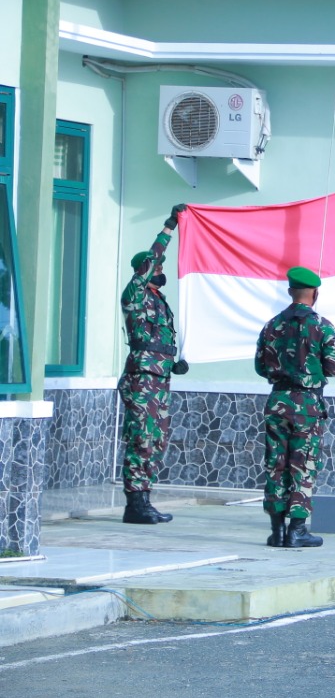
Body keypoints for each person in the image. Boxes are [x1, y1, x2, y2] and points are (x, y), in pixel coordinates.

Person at [254, 266, 335, 548]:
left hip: (277, 400)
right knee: (302, 464)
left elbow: (260, 366)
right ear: (315, 293)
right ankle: (297, 530)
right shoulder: (322, 326)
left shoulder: (272, 325)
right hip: (306, 402)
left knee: (276, 464)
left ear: (290, 291)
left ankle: (277, 530)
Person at [118, 204, 190, 525]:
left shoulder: (159, 302)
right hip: (142, 379)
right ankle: (134, 504)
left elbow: (158, 340)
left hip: (159, 380)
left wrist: (174, 362)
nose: (160, 268)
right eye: (156, 266)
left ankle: (144, 499)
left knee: (156, 440)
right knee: (141, 439)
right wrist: (168, 228)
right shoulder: (135, 292)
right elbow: (151, 258)